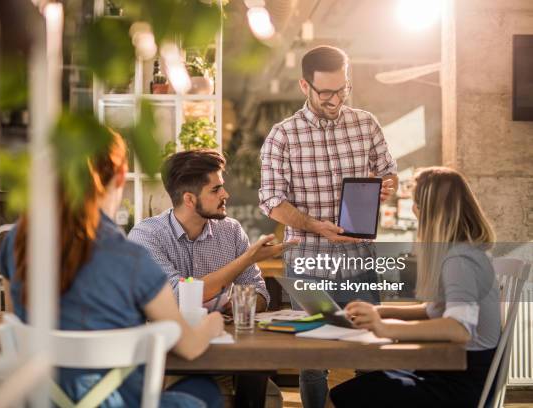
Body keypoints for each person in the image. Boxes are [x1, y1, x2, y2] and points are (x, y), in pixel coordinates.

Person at [0, 130, 225, 408]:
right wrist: (212, 325)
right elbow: (189, 347)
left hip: (44, 401)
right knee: (206, 390)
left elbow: (17, 321)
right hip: (119, 403)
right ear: (120, 177)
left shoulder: (15, 243)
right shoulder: (132, 259)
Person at [258, 45, 398, 407]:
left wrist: (386, 187)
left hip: (359, 258)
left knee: (369, 353)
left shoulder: (366, 123)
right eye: (326, 92)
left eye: (342, 89)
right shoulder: (282, 136)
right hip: (308, 260)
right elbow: (271, 201)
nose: (336, 99)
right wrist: (314, 226)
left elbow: (388, 173)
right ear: (305, 86)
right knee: (313, 362)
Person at [330, 166, 500, 408]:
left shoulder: (460, 261)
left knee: (340, 397)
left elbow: (459, 328)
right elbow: (433, 310)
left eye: (416, 203)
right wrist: (382, 312)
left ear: (430, 211)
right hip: (450, 369)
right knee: (358, 389)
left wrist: (385, 328)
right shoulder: (462, 252)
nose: (414, 210)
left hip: (458, 383)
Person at [129, 149, 294, 311]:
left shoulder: (231, 230)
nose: (225, 194)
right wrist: (247, 258)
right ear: (190, 199)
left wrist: (240, 305)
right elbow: (178, 297)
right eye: (215, 190)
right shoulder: (147, 236)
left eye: (222, 187)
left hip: (225, 334)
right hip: (167, 336)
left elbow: (260, 293)